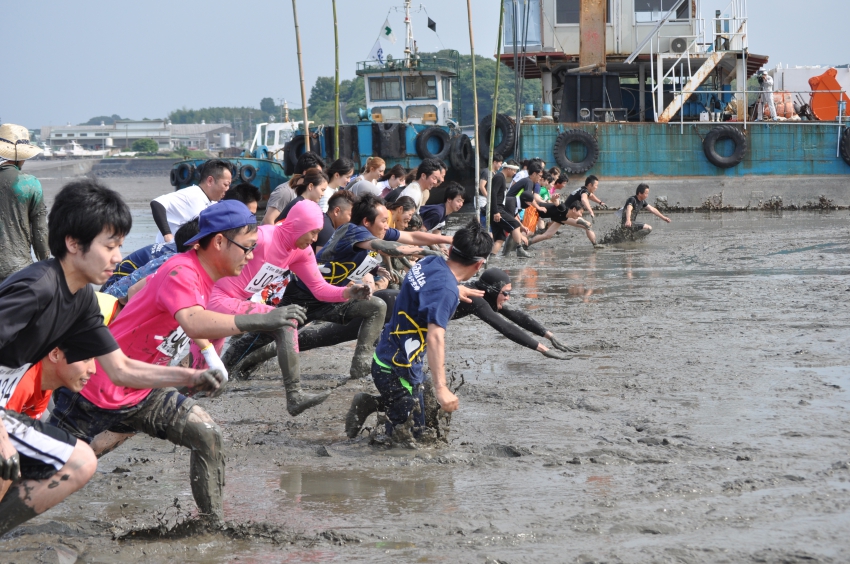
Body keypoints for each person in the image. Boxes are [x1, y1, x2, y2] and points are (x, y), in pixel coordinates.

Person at [49, 199, 297, 527]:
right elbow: (194, 321)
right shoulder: (181, 270)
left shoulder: (209, 280)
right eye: (247, 248)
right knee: (46, 463)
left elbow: (196, 324)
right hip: (97, 383)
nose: (251, 257)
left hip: (145, 384)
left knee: (206, 434)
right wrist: (260, 321)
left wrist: (208, 361)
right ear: (219, 242)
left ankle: (211, 524)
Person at [0, 179, 223, 536]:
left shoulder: (84, 300)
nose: (119, 257)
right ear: (73, 242)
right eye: (110, 246)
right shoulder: (38, 287)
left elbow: (119, 368)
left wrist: (187, 378)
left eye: (120, 245)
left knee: (65, 465)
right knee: (73, 460)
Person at [222, 194, 454, 377]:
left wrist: (445, 240)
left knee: (376, 306)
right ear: (366, 221)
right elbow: (386, 246)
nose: (387, 226)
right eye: (383, 221)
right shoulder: (352, 231)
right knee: (264, 337)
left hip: (334, 296)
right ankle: (224, 368)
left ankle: (360, 365)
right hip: (304, 295)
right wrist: (422, 252)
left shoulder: (377, 231)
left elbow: (411, 237)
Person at [344, 267, 578, 438]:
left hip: (406, 322)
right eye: (506, 293)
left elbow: (513, 315)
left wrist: (548, 335)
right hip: (392, 309)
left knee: (417, 394)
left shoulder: (480, 293)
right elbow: (504, 327)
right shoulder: (476, 300)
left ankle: (370, 404)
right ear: (493, 289)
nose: (507, 298)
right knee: (330, 335)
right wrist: (541, 349)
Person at [207, 200, 375, 407]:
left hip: (236, 303)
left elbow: (320, 289)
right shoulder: (264, 237)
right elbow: (217, 246)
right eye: (312, 232)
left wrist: (349, 292)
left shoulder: (300, 252)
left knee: (203, 377)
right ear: (298, 225)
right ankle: (294, 396)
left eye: (318, 233)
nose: (315, 238)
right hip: (215, 299)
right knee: (286, 322)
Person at [364, 219, 492, 444]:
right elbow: (435, 336)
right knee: (407, 440)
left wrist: (453, 287)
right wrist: (441, 388)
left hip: (388, 355)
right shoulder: (445, 290)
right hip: (395, 369)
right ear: (479, 265)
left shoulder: (431, 262)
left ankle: (369, 404)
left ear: (451, 250)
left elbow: (429, 284)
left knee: (423, 425)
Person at [101, 219, 200, 302]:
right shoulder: (176, 264)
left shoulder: (179, 253)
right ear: (196, 246)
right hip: (114, 297)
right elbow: (134, 290)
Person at [0, 124, 49, 283]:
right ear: (22, 156)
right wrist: (46, 267)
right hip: (18, 272)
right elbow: (40, 232)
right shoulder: (29, 184)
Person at [151, 159, 232, 244]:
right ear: (210, 181)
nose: (227, 189)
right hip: (168, 250)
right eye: (225, 185)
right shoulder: (191, 195)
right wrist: (167, 235)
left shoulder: (213, 203)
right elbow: (157, 203)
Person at [264, 152, 325, 225]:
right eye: (317, 173)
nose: (320, 177)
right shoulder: (285, 192)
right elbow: (268, 220)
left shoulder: (306, 193)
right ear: (305, 173)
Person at [489, 161, 530, 257]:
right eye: (514, 171)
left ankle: (492, 257)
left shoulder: (501, 178)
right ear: (509, 169)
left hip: (498, 209)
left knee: (500, 238)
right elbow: (493, 194)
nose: (515, 173)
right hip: (497, 210)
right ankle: (519, 249)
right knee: (515, 224)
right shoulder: (499, 177)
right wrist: (496, 211)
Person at [529, 201, 599, 246]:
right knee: (529, 232)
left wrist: (585, 224)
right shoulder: (563, 208)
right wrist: (554, 198)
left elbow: (580, 221)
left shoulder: (567, 216)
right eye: (580, 212)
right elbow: (556, 201)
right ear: (574, 209)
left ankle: (527, 243)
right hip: (534, 210)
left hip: (557, 218)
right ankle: (520, 243)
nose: (581, 215)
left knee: (548, 235)